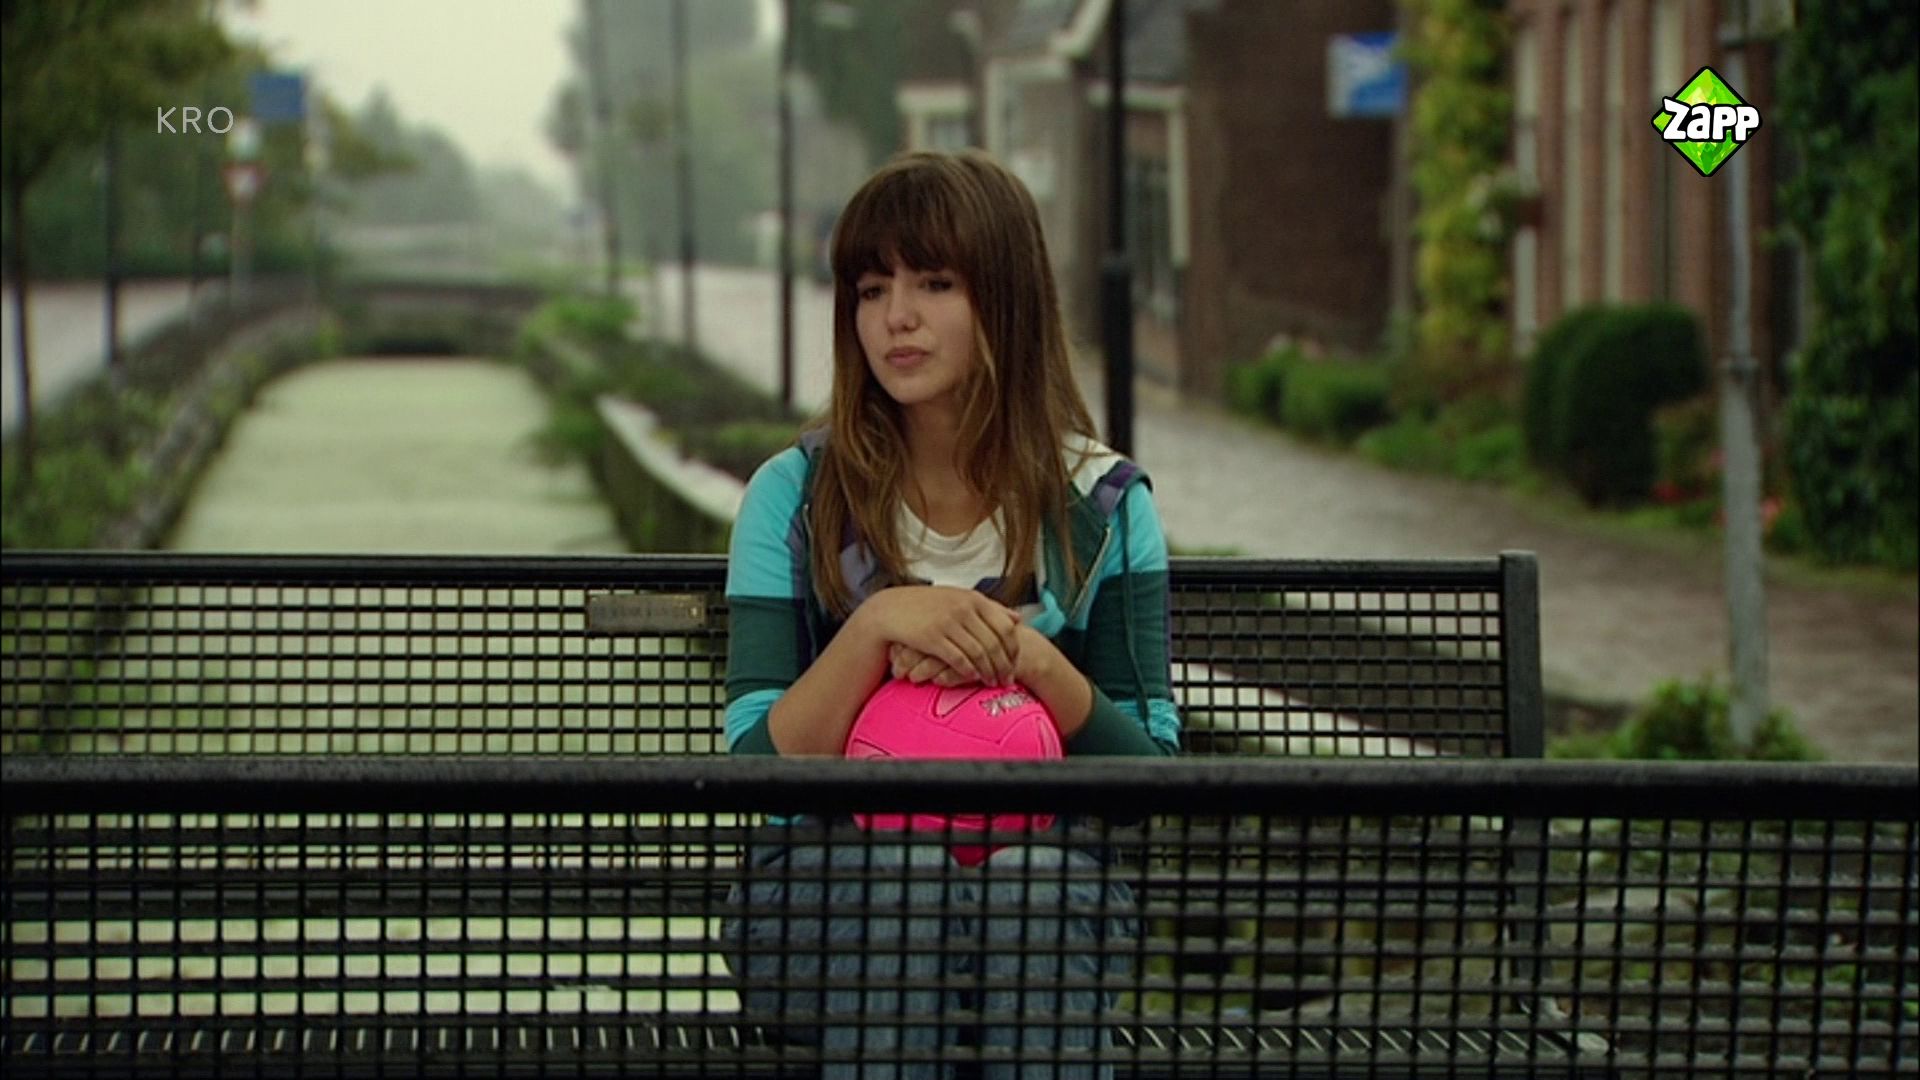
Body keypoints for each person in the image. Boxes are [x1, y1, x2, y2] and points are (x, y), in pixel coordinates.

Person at [721, 149, 1180, 1080]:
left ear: (1006, 300)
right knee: (908, 878)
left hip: (1040, 908)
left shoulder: (1101, 507)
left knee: (1033, 890)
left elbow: (1148, 784)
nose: (896, 316)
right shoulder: (794, 497)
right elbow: (754, 773)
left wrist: (1035, 664)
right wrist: (875, 627)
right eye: (871, 289)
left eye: (934, 283)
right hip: (820, 903)